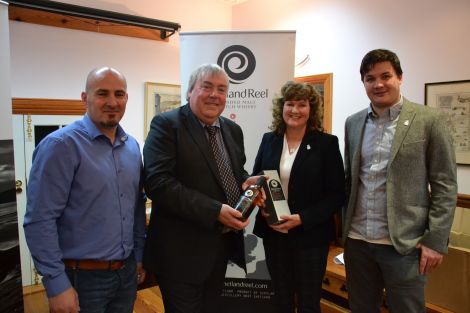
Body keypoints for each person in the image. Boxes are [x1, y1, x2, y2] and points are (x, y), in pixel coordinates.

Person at [24, 67, 147, 313]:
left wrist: (139, 258)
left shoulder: (132, 147)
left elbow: (135, 208)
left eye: (119, 94)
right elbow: (40, 219)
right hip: (80, 279)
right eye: (103, 93)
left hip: (126, 275)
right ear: (84, 98)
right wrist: (56, 284)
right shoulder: (60, 146)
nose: (112, 102)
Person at [343, 49, 458, 313]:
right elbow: (350, 180)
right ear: (364, 83)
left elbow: (445, 185)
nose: (378, 84)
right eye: (370, 78)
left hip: (405, 246)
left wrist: (435, 241)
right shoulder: (354, 122)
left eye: (386, 76)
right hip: (358, 242)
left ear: (400, 77)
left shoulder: (430, 120)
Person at [143, 63, 263, 313]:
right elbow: (158, 183)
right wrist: (214, 210)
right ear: (190, 91)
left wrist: (245, 181)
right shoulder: (166, 125)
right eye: (206, 87)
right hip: (181, 256)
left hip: (221, 249)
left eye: (221, 89)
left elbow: (232, 172)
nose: (214, 95)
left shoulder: (232, 129)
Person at [252, 81, 345, 313]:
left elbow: (337, 194)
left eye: (302, 104)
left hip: (310, 237)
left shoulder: (326, 144)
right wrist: (259, 198)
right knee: (280, 299)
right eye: (290, 104)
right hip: (274, 234)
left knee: (308, 302)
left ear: (311, 109)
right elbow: (257, 178)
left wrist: (302, 218)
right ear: (281, 108)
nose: (295, 110)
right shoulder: (269, 139)